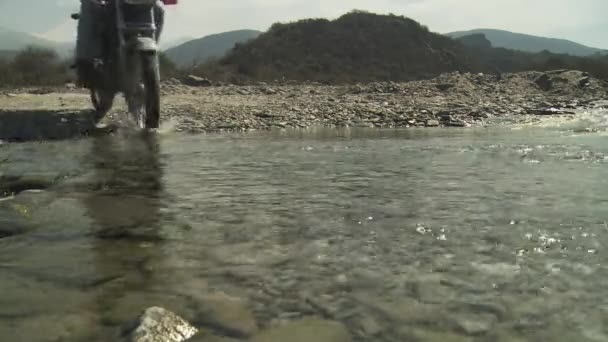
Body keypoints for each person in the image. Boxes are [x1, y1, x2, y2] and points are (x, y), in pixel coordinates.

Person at [75, 0, 165, 87]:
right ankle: (85, 66)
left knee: (158, 10)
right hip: (112, 3)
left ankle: (148, 61)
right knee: (91, 9)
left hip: (140, 3)